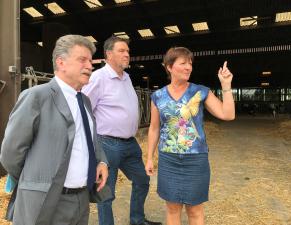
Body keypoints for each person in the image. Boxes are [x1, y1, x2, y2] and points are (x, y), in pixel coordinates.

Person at [0, 34, 110, 225]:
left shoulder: (84, 101)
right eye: (82, 60)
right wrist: (34, 182)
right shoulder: (36, 97)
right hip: (46, 201)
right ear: (61, 62)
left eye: (91, 61)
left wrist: (101, 161)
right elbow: (11, 153)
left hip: (81, 199)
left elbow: (90, 139)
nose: (90, 66)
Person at [146, 47, 235, 225]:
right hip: (168, 159)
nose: (188, 67)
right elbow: (154, 128)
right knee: (172, 209)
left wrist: (226, 85)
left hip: (196, 160)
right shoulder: (158, 96)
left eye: (190, 64)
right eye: (183, 63)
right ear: (169, 67)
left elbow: (228, 114)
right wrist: (149, 157)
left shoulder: (200, 91)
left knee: (194, 210)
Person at [82, 36, 161, 225]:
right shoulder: (98, 78)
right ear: (108, 54)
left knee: (142, 180)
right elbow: (84, 110)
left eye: (128, 51)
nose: (127, 54)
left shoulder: (126, 77)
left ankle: (137, 220)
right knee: (106, 191)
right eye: (122, 51)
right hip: (107, 143)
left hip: (130, 143)